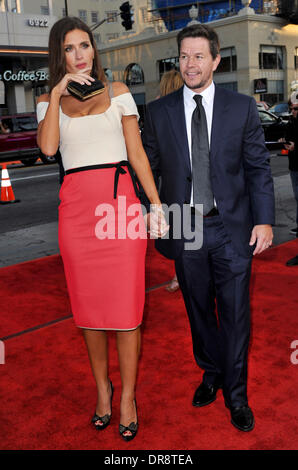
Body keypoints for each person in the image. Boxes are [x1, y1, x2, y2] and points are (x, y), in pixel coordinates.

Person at [36, 16, 167, 442]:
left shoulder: (120, 93)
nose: (79, 55)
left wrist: (156, 204)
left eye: (85, 46)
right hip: (76, 217)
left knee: (128, 313)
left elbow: (137, 156)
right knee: (90, 314)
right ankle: (103, 390)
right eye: (70, 49)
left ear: (94, 49)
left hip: (120, 210)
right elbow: (49, 148)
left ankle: (128, 396)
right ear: (60, 55)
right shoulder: (46, 100)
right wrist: (56, 95)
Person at [142, 24, 275, 432]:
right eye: (183, 56)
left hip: (231, 227)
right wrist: (152, 206)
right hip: (186, 229)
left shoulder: (241, 108)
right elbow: (144, 168)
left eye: (199, 56)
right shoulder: (159, 112)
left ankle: (237, 395)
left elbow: (257, 168)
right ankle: (211, 373)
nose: (190, 64)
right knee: (199, 311)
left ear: (216, 60)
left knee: (236, 315)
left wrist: (265, 219)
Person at [157, 69, 184, 293]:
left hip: (169, 183)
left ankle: (179, 276)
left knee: (177, 233)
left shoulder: (159, 110)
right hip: (187, 181)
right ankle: (182, 275)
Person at [284, 92, 298, 237]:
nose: (293, 111)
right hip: (293, 165)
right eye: (292, 108)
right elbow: (288, 138)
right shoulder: (290, 122)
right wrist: (285, 141)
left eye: (296, 109)